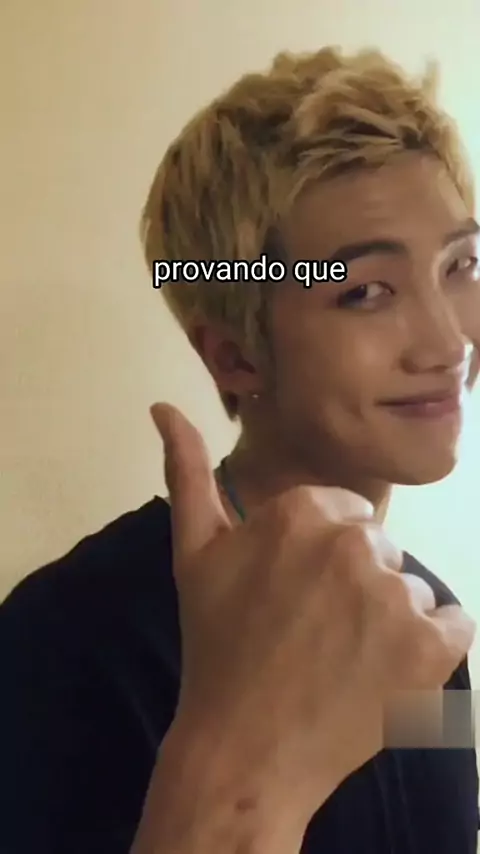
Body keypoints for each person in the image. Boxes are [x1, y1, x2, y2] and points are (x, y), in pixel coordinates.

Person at [1, 45, 479, 854]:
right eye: (366, 291)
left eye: (462, 265)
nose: (448, 342)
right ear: (235, 357)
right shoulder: (65, 640)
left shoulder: (430, 623)